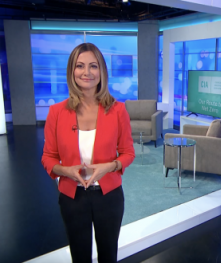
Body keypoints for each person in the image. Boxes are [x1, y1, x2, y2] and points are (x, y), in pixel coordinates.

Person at [41, 42, 135, 263]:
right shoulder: (56, 112)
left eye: (93, 66)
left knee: (108, 256)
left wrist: (109, 166)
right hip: (72, 198)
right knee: (80, 257)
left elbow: (128, 153)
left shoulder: (118, 110)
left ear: (101, 70)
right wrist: (65, 170)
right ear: (72, 71)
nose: (87, 72)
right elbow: (48, 157)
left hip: (109, 196)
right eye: (80, 66)